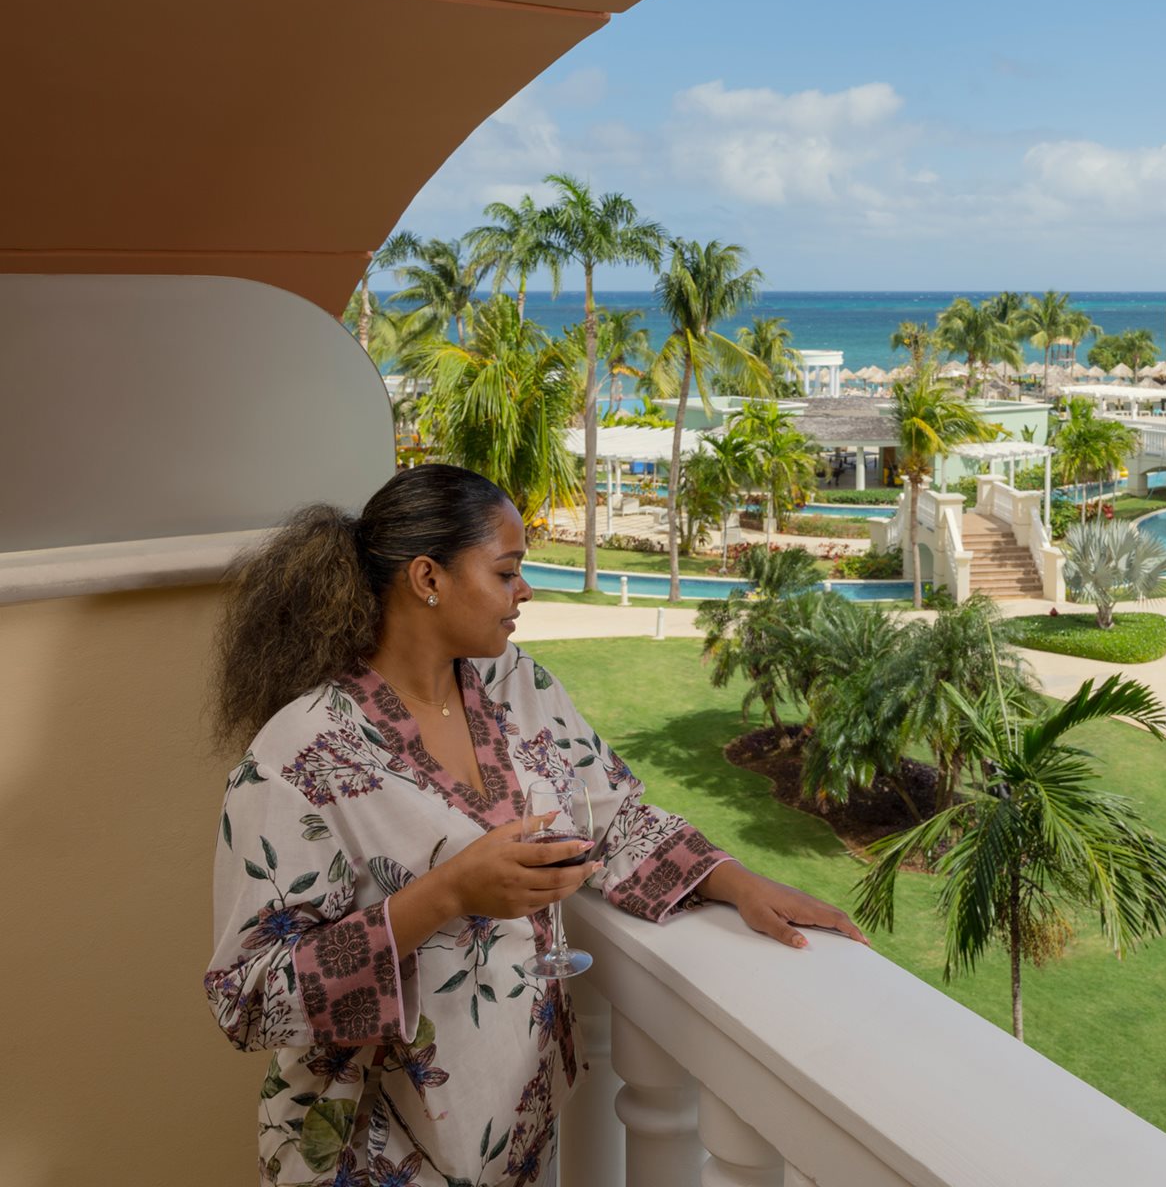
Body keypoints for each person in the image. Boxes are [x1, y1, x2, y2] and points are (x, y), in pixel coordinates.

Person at [204, 465, 864, 1186]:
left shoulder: (513, 682)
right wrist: (450, 893)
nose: (526, 591)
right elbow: (248, 999)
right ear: (429, 578)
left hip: (516, 1134)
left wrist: (738, 884)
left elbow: (609, 815)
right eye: (508, 571)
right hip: (367, 1157)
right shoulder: (299, 757)